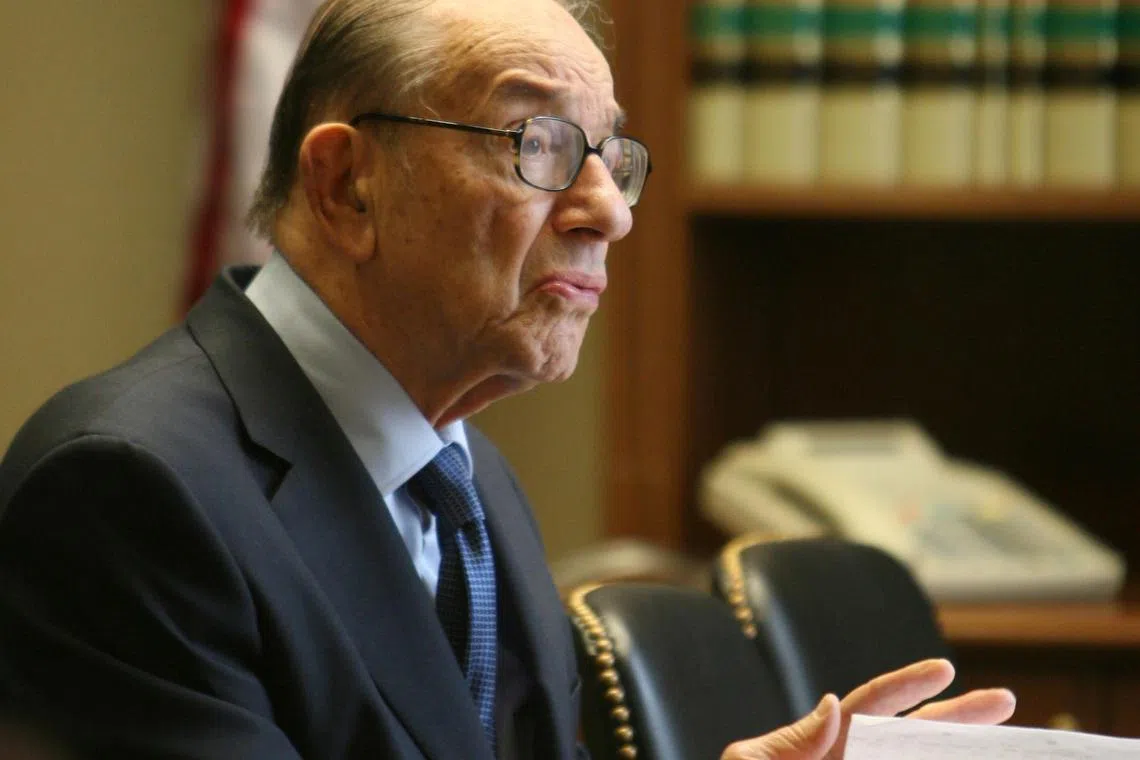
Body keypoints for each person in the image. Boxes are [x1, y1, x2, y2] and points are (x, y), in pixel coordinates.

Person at [0, 0, 1015, 758]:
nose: (607, 210)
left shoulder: (465, 474)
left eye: (610, 154)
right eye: (536, 143)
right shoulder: (127, 492)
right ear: (346, 183)